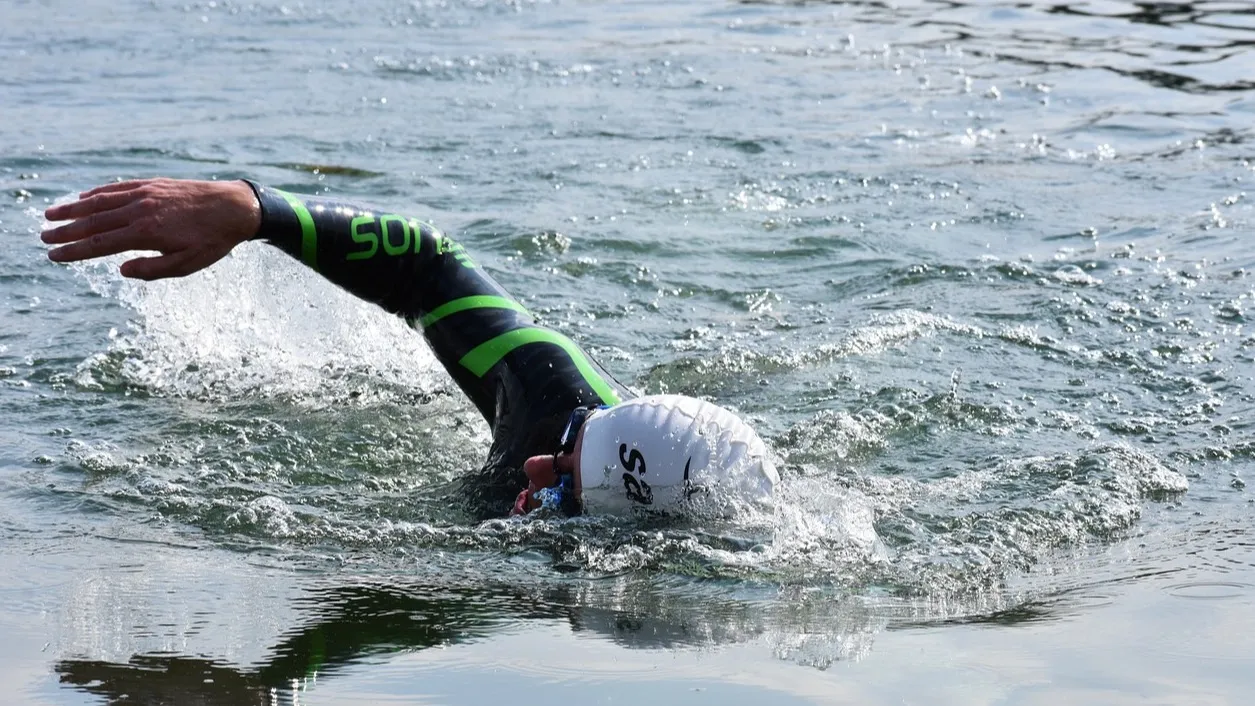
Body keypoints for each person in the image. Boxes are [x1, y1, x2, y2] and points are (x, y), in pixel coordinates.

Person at [41, 178, 779, 518]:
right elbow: (427, 265)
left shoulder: (595, 572)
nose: (532, 461)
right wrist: (258, 211)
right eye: (566, 444)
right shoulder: (552, 400)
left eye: (558, 483)